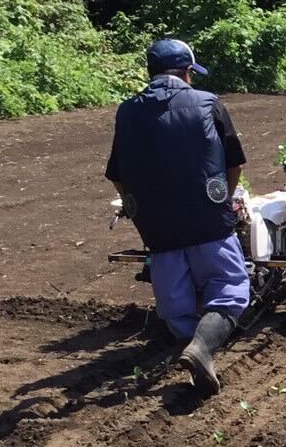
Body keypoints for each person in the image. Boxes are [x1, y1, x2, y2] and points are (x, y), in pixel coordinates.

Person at [106, 38, 250, 396]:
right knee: (229, 290)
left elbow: (117, 175)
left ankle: (192, 344)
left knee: (175, 307)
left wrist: (138, 211)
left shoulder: (127, 111)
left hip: (157, 230)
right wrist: (225, 202)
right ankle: (202, 347)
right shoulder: (207, 102)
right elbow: (234, 163)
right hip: (208, 223)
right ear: (187, 73)